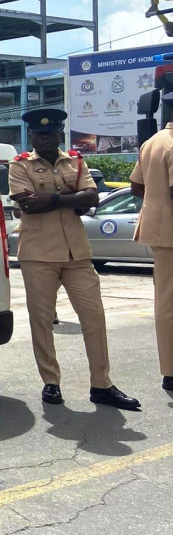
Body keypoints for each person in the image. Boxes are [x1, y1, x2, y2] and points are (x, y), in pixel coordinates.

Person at [8, 108, 140, 409]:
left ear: (59, 134)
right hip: (38, 254)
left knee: (94, 318)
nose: (45, 138)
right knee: (42, 322)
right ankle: (51, 382)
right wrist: (71, 197)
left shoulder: (76, 161)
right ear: (32, 136)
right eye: (40, 134)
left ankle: (102, 384)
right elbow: (28, 206)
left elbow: (92, 198)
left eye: (50, 133)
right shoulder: (19, 166)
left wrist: (53, 199)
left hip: (77, 254)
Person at [128, 102, 173, 392]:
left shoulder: (153, 142)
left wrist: (156, 203)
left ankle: (170, 369)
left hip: (160, 231)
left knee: (166, 301)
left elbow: (136, 186)